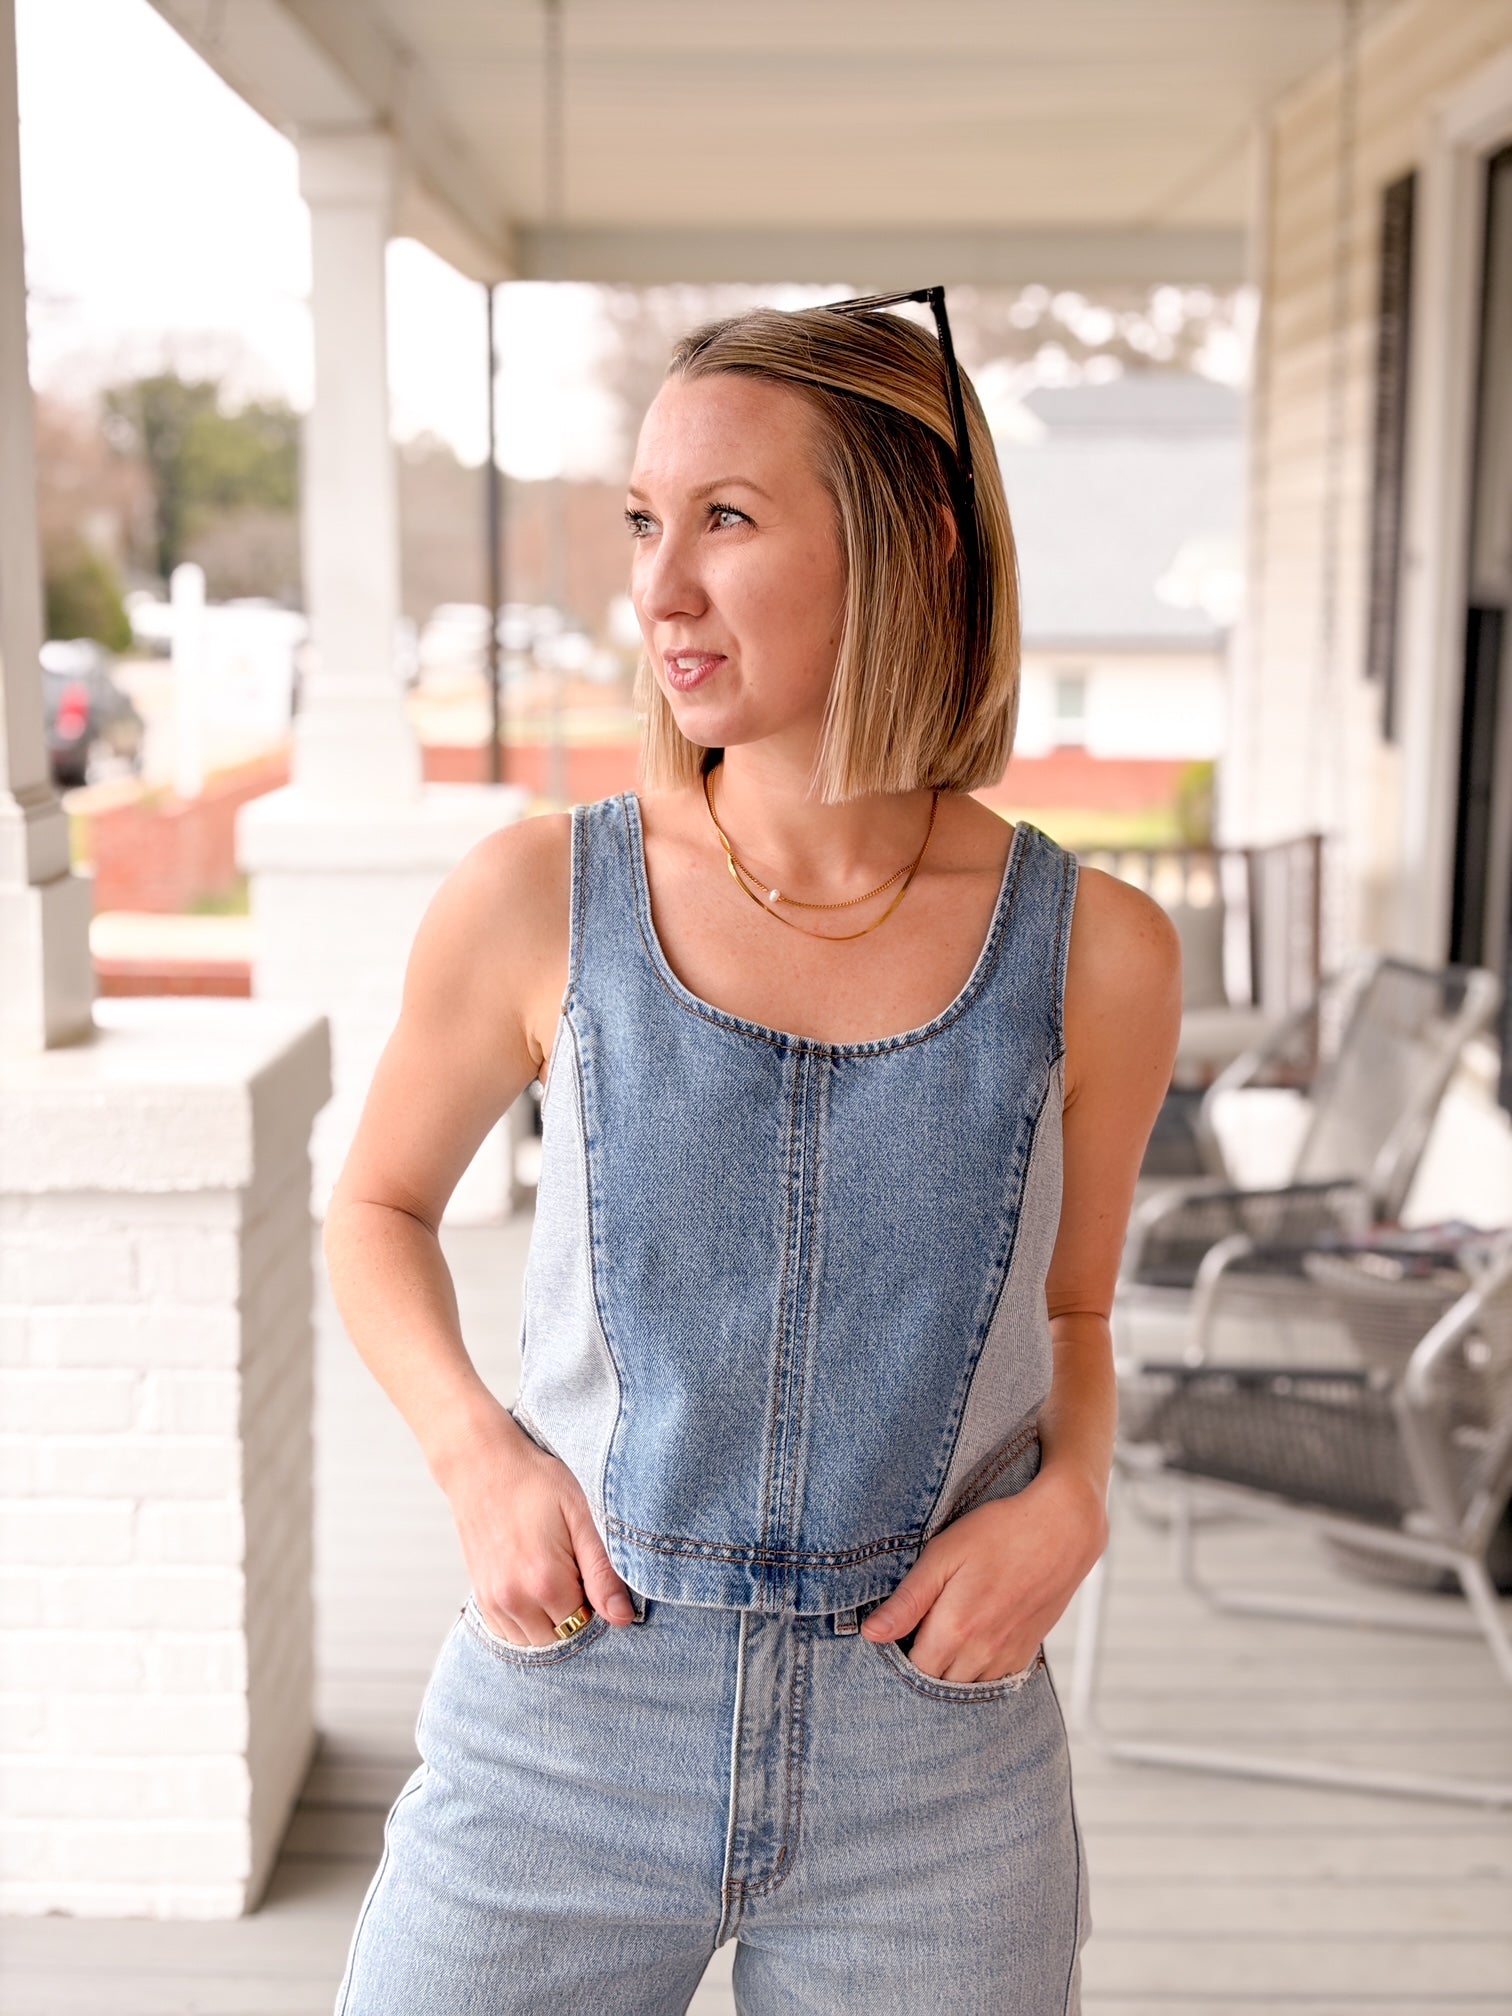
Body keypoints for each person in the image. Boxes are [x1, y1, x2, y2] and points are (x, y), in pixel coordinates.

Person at [324, 291, 1182, 2016]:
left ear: (910, 542)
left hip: (932, 1756)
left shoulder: (1100, 951)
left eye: (726, 518)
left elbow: (1079, 1314)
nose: (659, 590)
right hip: (573, 1708)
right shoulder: (535, 897)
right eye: (648, 522)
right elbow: (378, 1208)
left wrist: (1075, 1498)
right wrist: (477, 1458)